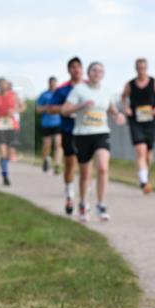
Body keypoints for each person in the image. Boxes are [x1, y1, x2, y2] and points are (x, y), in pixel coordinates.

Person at [61, 62, 125, 222]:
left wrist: (117, 115)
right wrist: (81, 105)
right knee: (85, 173)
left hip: (101, 133)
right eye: (94, 70)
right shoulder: (79, 90)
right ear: (88, 73)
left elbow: (111, 109)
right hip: (82, 134)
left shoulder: (107, 91)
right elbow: (64, 110)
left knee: (103, 167)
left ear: (103, 74)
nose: (97, 73)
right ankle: (83, 205)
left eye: (101, 71)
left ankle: (101, 205)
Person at [42, 57, 83, 214]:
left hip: (87, 130)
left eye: (78, 67)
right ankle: (70, 194)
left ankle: (84, 198)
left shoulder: (88, 86)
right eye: (72, 67)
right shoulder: (62, 89)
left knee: (86, 165)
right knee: (71, 163)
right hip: (68, 130)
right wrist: (67, 109)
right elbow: (51, 108)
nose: (76, 70)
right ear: (68, 70)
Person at [121, 57, 155, 193]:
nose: (141, 70)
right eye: (139, 68)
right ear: (136, 69)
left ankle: (145, 174)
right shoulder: (130, 84)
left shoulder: (154, 83)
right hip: (136, 121)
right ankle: (143, 181)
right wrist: (126, 108)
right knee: (140, 150)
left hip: (151, 121)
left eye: (143, 68)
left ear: (146, 68)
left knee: (148, 154)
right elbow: (123, 97)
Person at [0, 78, 24, 186]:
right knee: (3, 151)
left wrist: (15, 111)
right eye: (0, 85)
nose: (2, 86)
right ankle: (5, 175)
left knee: (9, 154)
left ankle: (3, 163)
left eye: (4, 84)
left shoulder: (14, 95)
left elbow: (23, 107)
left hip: (12, 126)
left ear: (7, 86)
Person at [36, 76, 63, 174]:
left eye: (55, 83)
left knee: (58, 144)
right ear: (49, 84)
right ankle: (45, 160)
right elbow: (38, 109)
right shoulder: (44, 95)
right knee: (47, 144)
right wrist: (46, 108)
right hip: (46, 123)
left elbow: (65, 107)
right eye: (51, 83)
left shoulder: (60, 95)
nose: (53, 85)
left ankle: (57, 164)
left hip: (58, 123)